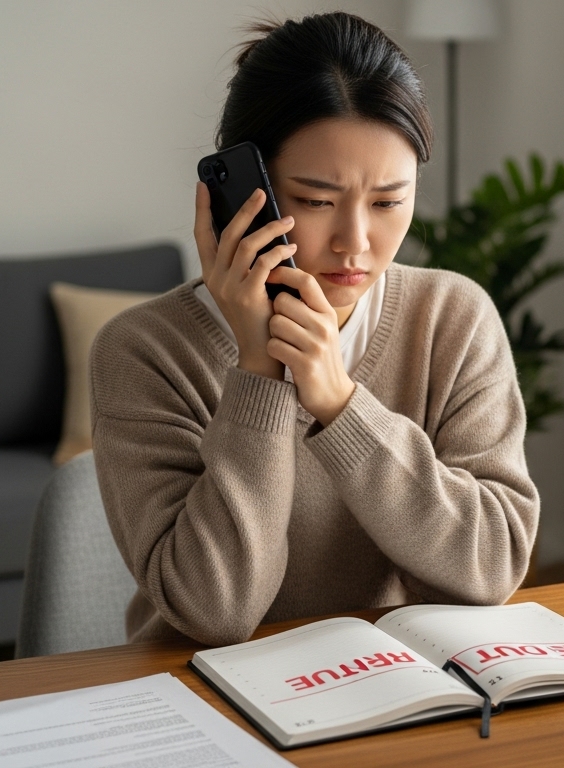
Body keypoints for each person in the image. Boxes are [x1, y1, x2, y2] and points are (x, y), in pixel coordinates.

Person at [89, 12, 539, 647]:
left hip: (383, 688)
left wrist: (340, 404)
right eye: (317, 201)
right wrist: (261, 374)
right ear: (242, 197)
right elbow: (215, 612)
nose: (356, 242)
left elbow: (490, 565)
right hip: (200, 703)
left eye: (388, 202)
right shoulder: (142, 351)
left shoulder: (453, 319)